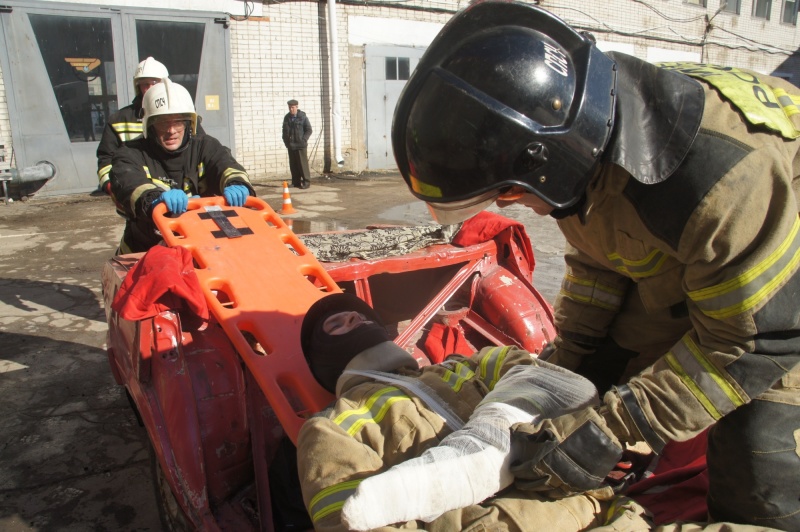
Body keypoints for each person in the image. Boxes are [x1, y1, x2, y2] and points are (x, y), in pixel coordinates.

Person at [383, 1, 800, 530]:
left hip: (780, 288)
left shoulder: (718, 185)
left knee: (760, 465)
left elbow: (756, 339)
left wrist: (617, 430)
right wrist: (570, 368)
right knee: (589, 382)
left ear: (547, 157)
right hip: (721, 253)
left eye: (509, 193)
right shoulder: (587, 138)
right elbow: (600, 265)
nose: (513, 206)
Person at [295, 292, 659, 531]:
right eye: (337, 324)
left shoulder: (461, 366)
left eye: (359, 316)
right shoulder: (330, 429)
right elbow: (350, 521)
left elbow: (541, 379)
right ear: (324, 359)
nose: (354, 321)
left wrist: (578, 447)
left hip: (611, 515)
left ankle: (485, 447)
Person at [110, 78, 254, 254]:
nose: (171, 130)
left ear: (189, 123)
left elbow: (225, 164)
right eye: (163, 122)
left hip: (203, 248)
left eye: (177, 122)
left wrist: (237, 183)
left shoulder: (205, 146)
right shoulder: (130, 153)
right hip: (145, 251)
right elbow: (128, 183)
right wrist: (154, 200)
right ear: (149, 125)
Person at [97, 57, 207, 196]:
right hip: (139, 193)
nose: (149, 88)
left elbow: (201, 149)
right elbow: (106, 159)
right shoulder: (119, 120)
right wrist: (114, 187)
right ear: (138, 87)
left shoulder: (184, 115)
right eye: (144, 84)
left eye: (154, 83)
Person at [282, 99, 313, 189]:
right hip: (291, 145)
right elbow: (284, 131)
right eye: (289, 107)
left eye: (293, 107)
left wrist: (304, 139)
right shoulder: (287, 118)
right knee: (293, 165)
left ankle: (306, 181)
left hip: (300, 145)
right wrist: (286, 142)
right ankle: (296, 182)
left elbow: (309, 130)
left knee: (302, 164)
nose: (291, 109)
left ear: (296, 107)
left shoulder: (302, 117)